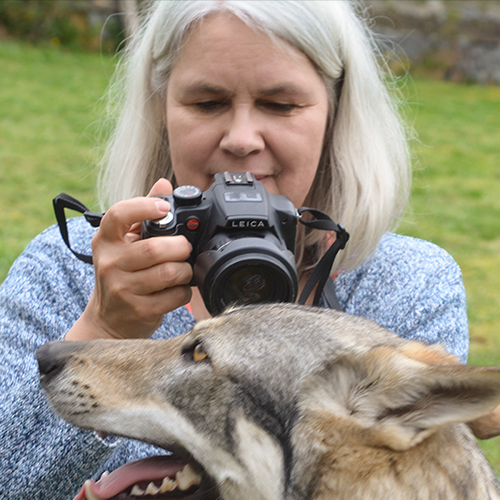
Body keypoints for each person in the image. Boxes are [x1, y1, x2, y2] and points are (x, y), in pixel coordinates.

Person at [0, 1, 470, 498]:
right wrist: (104, 327)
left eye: (280, 104)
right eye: (207, 103)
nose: (242, 139)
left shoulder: (405, 284)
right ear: (161, 110)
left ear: (335, 114)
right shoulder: (67, 269)